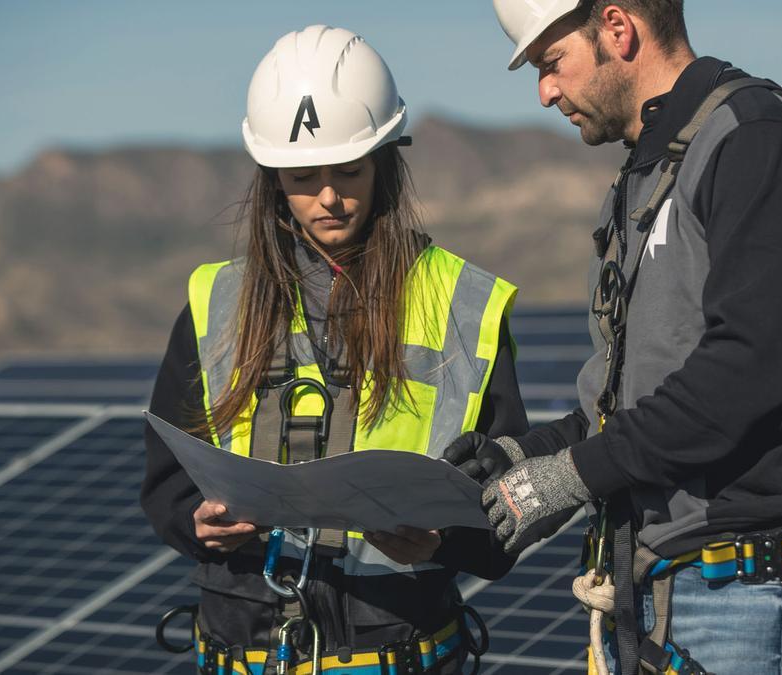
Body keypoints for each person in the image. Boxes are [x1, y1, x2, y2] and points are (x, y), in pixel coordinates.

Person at [444, 2, 782, 674]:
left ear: (618, 29)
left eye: (551, 64)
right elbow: (629, 407)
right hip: (662, 599)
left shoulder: (758, 141)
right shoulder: (642, 181)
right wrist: (521, 458)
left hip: (750, 597)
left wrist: (571, 477)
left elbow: (750, 373)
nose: (545, 93)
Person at [142, 25, 526, 675]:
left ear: (385, 161)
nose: (328, 195)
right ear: (271, 179)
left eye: (348, 169)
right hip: (241, 651)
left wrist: (441, 539)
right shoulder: (216, 302)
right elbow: (167, 481)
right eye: (302, 175)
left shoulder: (465, 304)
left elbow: (511, 499)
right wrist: (197, 521)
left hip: (404, 651)